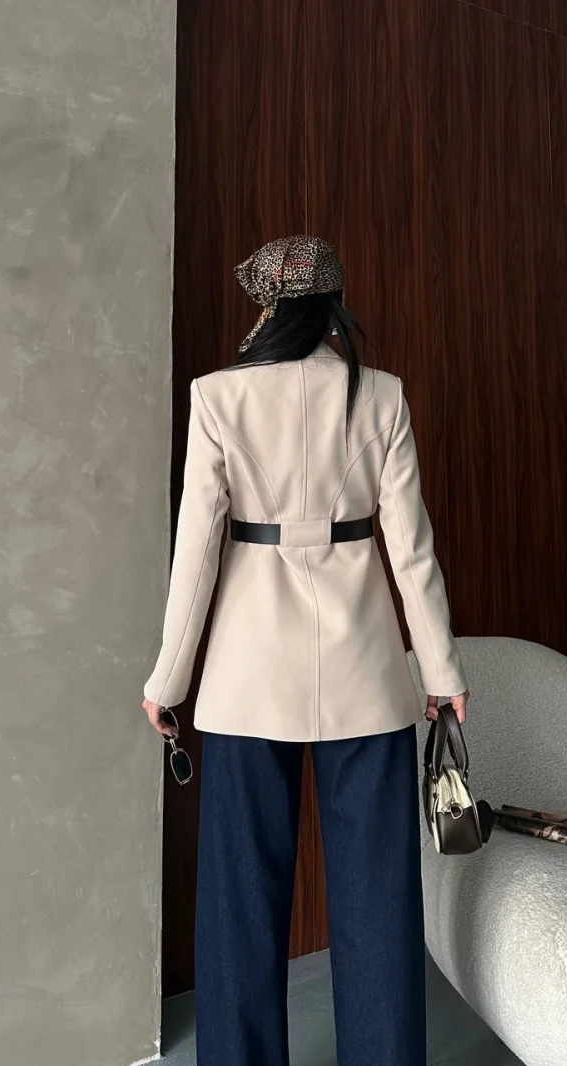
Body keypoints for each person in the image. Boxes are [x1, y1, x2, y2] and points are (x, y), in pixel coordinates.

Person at [141, 234, 469, 1066]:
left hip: (248, 679)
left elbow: (196, 555)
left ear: (267, 306)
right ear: (332, 306)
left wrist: (168, 681)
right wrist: (441, 672)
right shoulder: (381, 395)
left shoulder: (218, 397)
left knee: (240, 903)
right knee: (378, 900)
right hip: (365, 672)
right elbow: (413, 552)